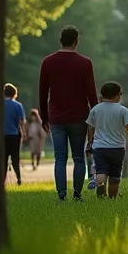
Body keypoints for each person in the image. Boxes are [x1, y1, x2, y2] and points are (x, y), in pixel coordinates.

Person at [38, 25, 99, 201]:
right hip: (79, 116)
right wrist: (95, 117)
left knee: (60, 157)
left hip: (56, 117)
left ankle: (61, 194)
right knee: (78, 157)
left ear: (60, 40)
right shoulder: (85, 63)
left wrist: (44, 117)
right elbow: (91, 93)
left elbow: (43, 92)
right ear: (76, 41)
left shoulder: (48, 62)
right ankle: (77, 194)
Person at [84, 81, 128, 199]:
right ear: (118, 96)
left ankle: (100, 186)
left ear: (102, 96)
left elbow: (90, 127)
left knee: (101, 170)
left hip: (99, 147)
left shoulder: (95, 109)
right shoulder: (123, 110)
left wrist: (90, 142)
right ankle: (112, 198)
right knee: (115, 175)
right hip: (117, 148)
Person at [3, 83, 27, 185]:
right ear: (14, 93)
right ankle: (18, 178)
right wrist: (24, 133)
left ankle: (2, 181)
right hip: (14, 135)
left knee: (3, 159)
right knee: (15, 158)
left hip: (2, 135)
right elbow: (22, 121)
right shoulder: (18, 105)